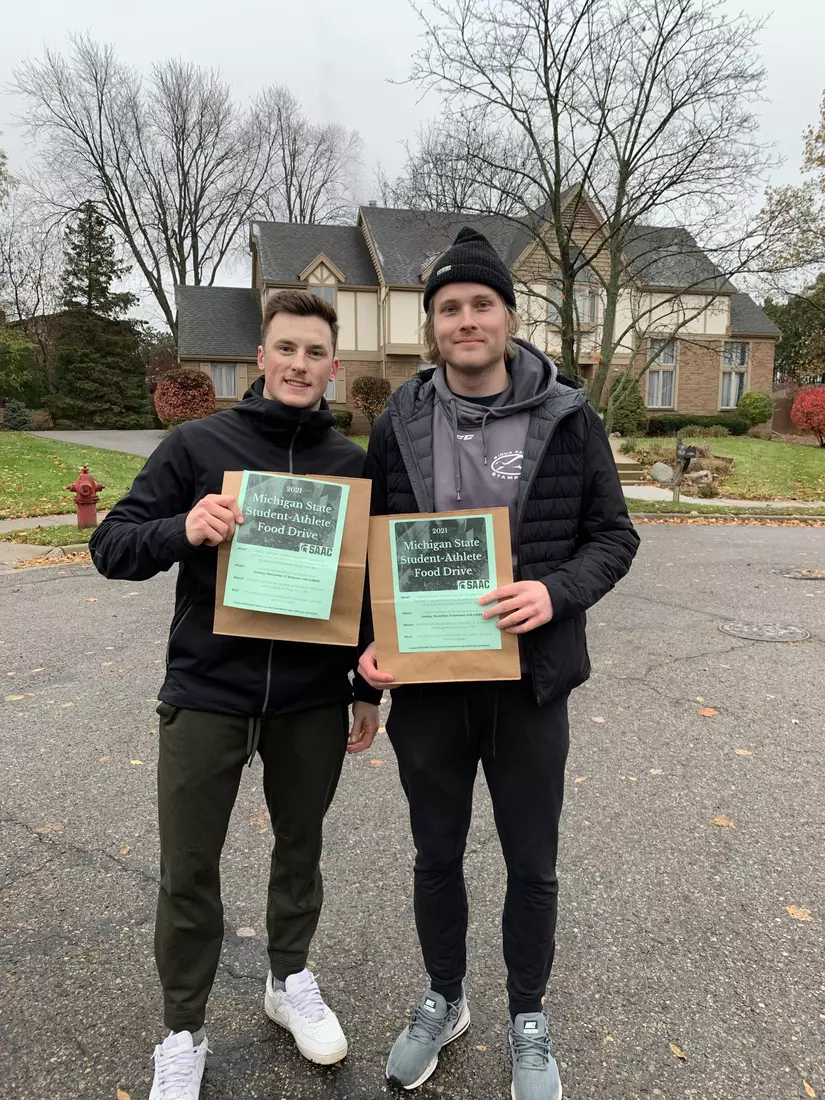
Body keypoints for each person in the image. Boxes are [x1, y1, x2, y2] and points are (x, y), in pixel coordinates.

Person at [358, 228, 639, 1100]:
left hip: (530, 682)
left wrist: (554, 594)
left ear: (509, 317)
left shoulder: (569, 414)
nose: (465, 319)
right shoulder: (396, 422)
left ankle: (527, 1015)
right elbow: (370, 555)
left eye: (481, 303)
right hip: (431, 686)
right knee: (434, 855)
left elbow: (613, 537)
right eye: (449, 307)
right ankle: (445, 996)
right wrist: (366, 649)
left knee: (531, 861)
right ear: (430, 324)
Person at [89, 289, 382, 1100]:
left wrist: (364, 688)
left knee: (301, 851)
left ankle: (288, 980)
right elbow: (110, 545)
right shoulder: (196, 444)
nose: (298, 364)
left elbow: (364, 595)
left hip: (311, 701)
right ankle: (182, 1027)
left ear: (332, 366)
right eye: (285, 348)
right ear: (260, 357)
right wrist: (182, 529)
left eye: (314, 353)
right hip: (207, 691)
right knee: (189, 867)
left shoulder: (353, 467)